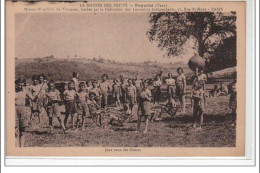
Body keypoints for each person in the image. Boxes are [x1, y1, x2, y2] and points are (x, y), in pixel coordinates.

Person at [15, 77, 38, 147]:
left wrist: (36, 97)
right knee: (15, 131)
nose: (20, 86)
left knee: (22, 130)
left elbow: (33, 99)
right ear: (16, 84)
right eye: (19, 85)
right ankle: (16, 148)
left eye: (22, 85)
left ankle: (21, 147)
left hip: (23, 109)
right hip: (14, 110)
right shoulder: (11, 90)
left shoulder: (25, 91)